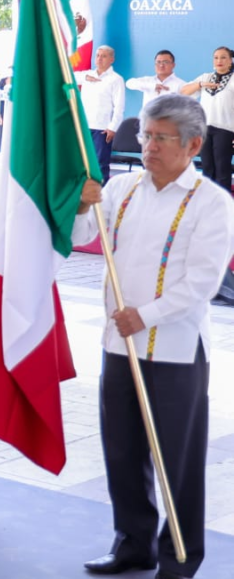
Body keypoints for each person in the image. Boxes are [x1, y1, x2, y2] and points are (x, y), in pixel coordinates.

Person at [75, 94, 234, 579]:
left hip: (175, 350)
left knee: (176, 459)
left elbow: (203, 283)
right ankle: (133, 544)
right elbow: (87, 232)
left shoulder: (213, 203)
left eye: (160, 138)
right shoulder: (121, 188)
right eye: (146, 136)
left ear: (192, 145)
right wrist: (83, 204)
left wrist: (145, 315)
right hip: (118, 346)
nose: (148, 146)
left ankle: (179, 556)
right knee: (121, 450)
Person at [180, 46, 234, 192]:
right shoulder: (205, 77)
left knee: (222, 168)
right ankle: (207, 203)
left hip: (226, 130)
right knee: (207, 168)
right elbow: (183, 91)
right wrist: (200, 84)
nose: (219, 61)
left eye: (223, 57)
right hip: (204, 130)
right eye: (216, 57)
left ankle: (223, 205)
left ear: (230, 61)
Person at [80, 45, 126, 183]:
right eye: (98, 55)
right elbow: (66, 76)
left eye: (104, 56)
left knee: (100, 164)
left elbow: (119, 106)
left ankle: (102, 197)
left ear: (111, 59)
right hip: (84, 126)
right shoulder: (86, 75)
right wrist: (85, 76)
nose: (99, 59)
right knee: (82, 162)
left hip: (102, 129)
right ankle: (83, 195)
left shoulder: (116, 79)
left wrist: (113, 127)